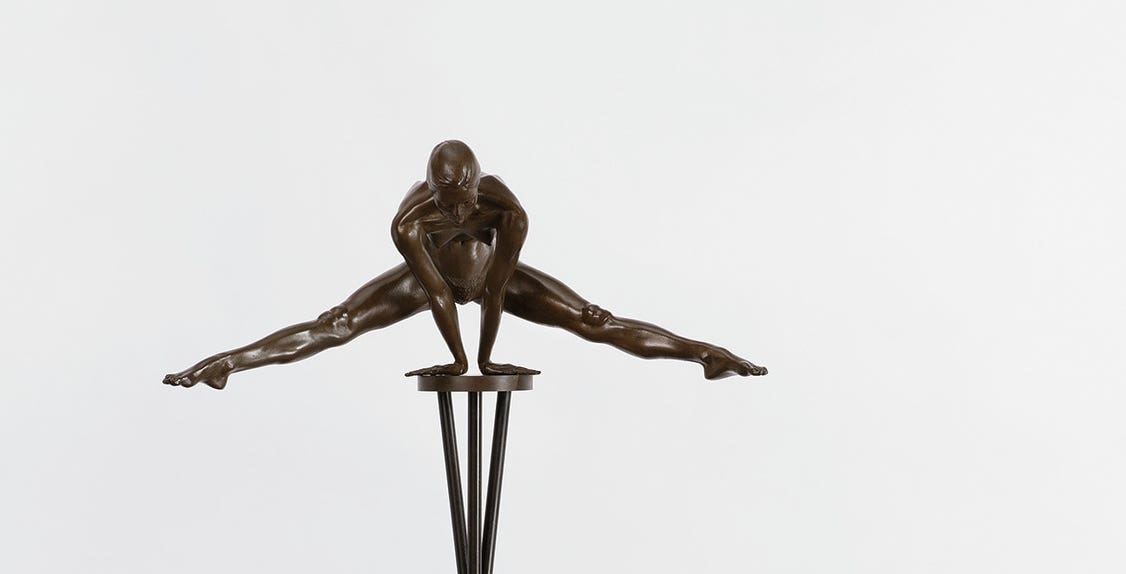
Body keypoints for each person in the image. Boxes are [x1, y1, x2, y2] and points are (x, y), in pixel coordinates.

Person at [164, 140, 766, 389]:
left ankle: (703, 354)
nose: (457, 213)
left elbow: (495, 290)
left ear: (478, 184)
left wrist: (485, 359)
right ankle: (228, 363)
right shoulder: (408, 223)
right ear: (430, 193)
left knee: (593, 319)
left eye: (466, 202)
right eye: (445, 205)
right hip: (430, 281)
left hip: (492, 274)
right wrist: (459, 360)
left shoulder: (509, 212)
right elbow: (438, 294)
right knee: (338, 323)